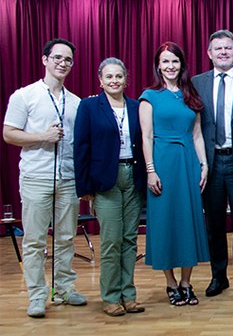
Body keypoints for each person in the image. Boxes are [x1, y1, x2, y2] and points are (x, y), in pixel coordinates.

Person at [3, 38, 87, 318]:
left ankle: (63, 288)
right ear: (45, 60)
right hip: (36, 176)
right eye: (57, 58)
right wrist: (43, 136)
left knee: (65, 237)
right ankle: (37, 295)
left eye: (68, 60)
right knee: (35, 240)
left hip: (67, 177)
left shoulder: (75, 102)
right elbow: (9, 133)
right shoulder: (24, 96)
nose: (62, 63)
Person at [74, 57, 147, 316]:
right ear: (100, 80)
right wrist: (83, 187)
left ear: (126, 79)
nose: (114, 81)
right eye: (109, 77)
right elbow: (80, 148)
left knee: (130, 240)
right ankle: (110, 297)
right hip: (106, 180)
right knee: (111, 241)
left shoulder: (137, 106)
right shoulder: (89, 106)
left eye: (119, 76)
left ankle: (129, 294)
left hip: (133, 176)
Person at [139, 42, 210, 306]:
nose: (170, 66)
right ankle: (170, 282)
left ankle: (186, 282)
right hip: (163, 164)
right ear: (158, 65)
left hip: (187, 163)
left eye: (175, 61)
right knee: (166, 221)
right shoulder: (149, 96)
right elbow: (146, 136)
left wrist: (203, 165)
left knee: (188, 221)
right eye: (165, 61)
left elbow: (197, 134)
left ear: (182, 64)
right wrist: (150, 171)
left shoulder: (190, 94)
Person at [191, 30, 233, 298]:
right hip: (210, 163)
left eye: (228, 48)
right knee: (215, 224)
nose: (223, 52)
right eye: (218, 49)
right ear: (209, 53)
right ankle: (218, 277)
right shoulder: (196, 82)